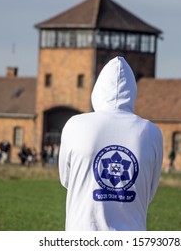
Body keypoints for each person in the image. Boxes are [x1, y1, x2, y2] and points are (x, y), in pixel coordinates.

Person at [59, 56, 163, 231]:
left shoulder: (74, 125)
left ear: (98, 89)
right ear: (132, 91)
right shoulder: (151, 133)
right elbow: (149, 192)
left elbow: (67, 180)